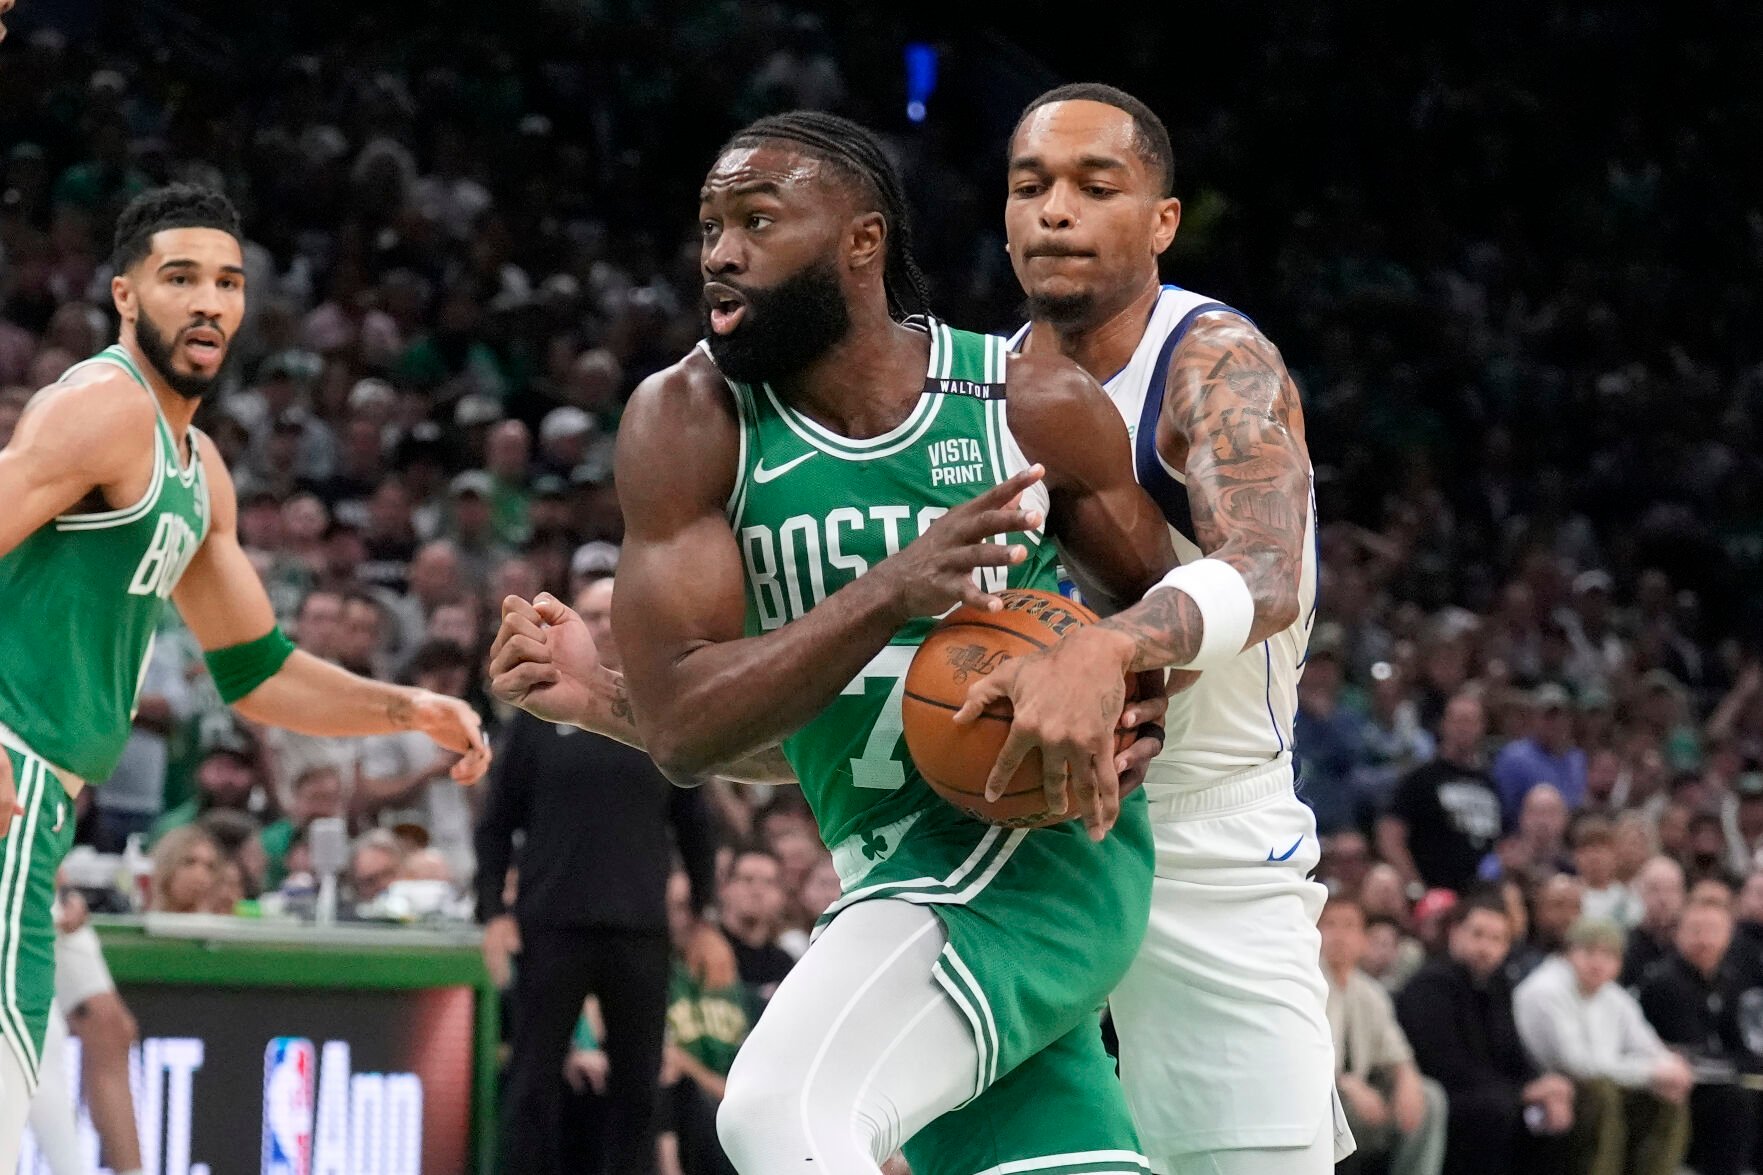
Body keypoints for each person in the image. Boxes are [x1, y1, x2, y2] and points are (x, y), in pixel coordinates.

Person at [491, 110, 1177, 1175]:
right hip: (891, 872)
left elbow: (1170, 617)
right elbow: (698, 730)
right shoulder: (689, 421)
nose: (719, 250)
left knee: (779, 1116)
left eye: (757, 220)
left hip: (1027, 856)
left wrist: (1118, 686)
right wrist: (604, 701)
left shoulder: (1022, 402)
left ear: (861, 240)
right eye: (710, 224)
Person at [0, 185, 488, 1168]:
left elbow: (257, 671)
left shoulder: (197, 466)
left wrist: (408, 704)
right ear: (126, 295)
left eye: (226, 281)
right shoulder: (99, 407)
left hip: (45, 809)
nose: (209, 301)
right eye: (180, 278)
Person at [954, 83, 1347, 1173]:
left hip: (1204, 837)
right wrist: (620, 703)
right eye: (1029, 187)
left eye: (1094, 184)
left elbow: (1263, 569)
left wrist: (1111, 641)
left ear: (1161, 220)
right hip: (1019, 839)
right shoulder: (971, 399)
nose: (1055, 211)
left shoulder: (1213, 358)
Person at [475, 574, 720, 1175]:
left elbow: (698, 827)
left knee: (640, 1087)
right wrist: (492, 912)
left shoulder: (663, 717)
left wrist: (705, 917)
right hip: (550, 920)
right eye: (590, 612)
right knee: (533, 1080)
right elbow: (496, 821)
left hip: (640, 925)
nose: (604, 624)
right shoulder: (538, 714)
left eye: (614, 612)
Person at [1396, 891, 1576, 1175]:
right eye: (1477, 934)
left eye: (1497, 939)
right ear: (1455, 932)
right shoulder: (1430, 986)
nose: (1485, 948)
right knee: (1496, 1111)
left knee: (1553, 1112)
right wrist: (1523, 1092)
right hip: (1443, 1096)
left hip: (1492, 1092)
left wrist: (1545, 1086)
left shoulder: (1497, 985)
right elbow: (1447, 1067)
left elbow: (1513, 1053)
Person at [1512, 917, 1691, 1175]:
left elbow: (1648, 1046)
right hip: (1548, 1091)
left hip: (1605, 1083)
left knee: (1667, 1093)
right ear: (1569, 953)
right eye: (1589, 952)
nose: (1598, 963)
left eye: (1608, 955)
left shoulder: (1613, 996)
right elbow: (1578, 1064)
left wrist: (1670, 1067)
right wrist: (1651, 1072)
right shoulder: (1544, 991)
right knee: (1601, 1093)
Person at [1318, 896, 1447, 1175]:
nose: (1339, 935)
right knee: (1341, 1105)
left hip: (1365, 1092)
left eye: (1349, 926)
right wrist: (1347, 1084)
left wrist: (1407, 1079)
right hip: (1319, 1092)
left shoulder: (1370, 992)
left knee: (1430, 1096)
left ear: (1364, 940)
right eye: (1330, 924)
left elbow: (1396, 1052)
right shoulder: (1307, 984)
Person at [1636, 899, 1762, 1175]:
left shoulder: (1726, 979)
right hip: (1674, 1086)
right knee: (1735, 1100)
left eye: (1714, 931)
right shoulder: (1665, 982)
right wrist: (1740, 1066)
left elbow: (1739, 1045)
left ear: (1729, 936)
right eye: (1696, 930)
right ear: (1678, 934)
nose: (1705, 940)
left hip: (1715, 1078)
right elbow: (1692, 1052)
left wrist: (1745, 1066)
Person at [1380, 691, 1503, 895]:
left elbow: (1501, 839)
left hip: (1482, 894)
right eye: (1458, 720)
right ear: (1444, 724)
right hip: (1434, 893)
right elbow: (1390, 834)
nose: (1464, 728)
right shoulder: (1420, 778)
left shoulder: (1490, 782)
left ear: (1482, 728)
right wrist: (1414, 886)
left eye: (1471, 721)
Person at [718, 846, 796, 1007]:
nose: (757, 890)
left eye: (768, 882)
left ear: (781, 896)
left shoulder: (784, 965)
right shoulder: (705, 951)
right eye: (747, 879)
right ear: (725, 888)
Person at [1620, 856, 1685, 986]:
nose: (1663, 899)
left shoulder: (1690, 947)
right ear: (1640, 893)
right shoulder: (1625, 945)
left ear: (1682, 894)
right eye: (1654, 889)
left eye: (1671, 890)